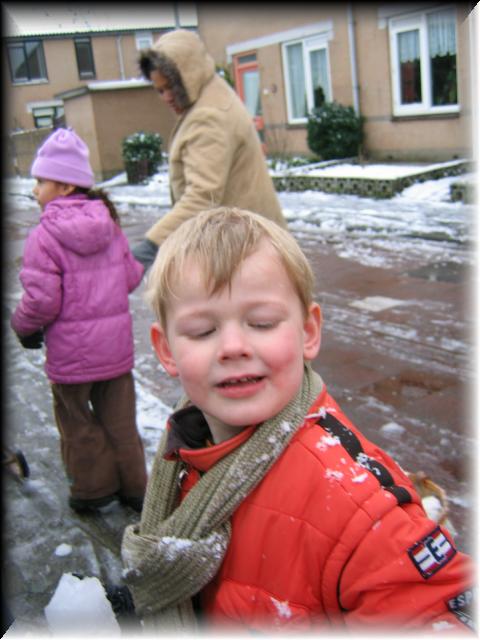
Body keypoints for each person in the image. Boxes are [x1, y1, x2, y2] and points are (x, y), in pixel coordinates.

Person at [120, 207, 474, 633]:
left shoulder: (359, 510)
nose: (233, 346)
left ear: (308, 332)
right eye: (201, 331)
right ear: (166, 350)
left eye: (262, 323)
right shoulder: (185, 451)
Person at [11, 128, 148, 514]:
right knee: (121, 424)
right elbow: (130, 277)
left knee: (78, 424)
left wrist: (23, 327)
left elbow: (42, 301)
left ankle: (92, 491)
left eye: (41, 181)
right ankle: (135, 489)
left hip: (72, 360)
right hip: (115, 355)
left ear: (65, 187)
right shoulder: (110, 226)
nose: (35, 189)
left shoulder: (44, 236)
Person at [132, 29, 286, 271]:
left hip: (244, 249)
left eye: (171, 86)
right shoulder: (212, 92)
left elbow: (202, 197)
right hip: (247, 240)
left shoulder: (208, 116)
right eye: (160, 90)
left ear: (188, 75)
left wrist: (151, 247)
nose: (167, 97)